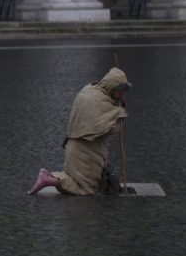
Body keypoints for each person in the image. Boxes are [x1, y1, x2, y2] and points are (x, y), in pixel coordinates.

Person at [28, 67, 131, 195]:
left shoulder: (90, 90)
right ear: (111, 87)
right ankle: (50, 179)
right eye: (119, 92)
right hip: (85, 151)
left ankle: (51, 176)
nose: (121, 95)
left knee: (80, 180)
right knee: (87, 188)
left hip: (77, 146)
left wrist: (117, 107)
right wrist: (120, 113)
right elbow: (108, 128)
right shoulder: (98, 101)